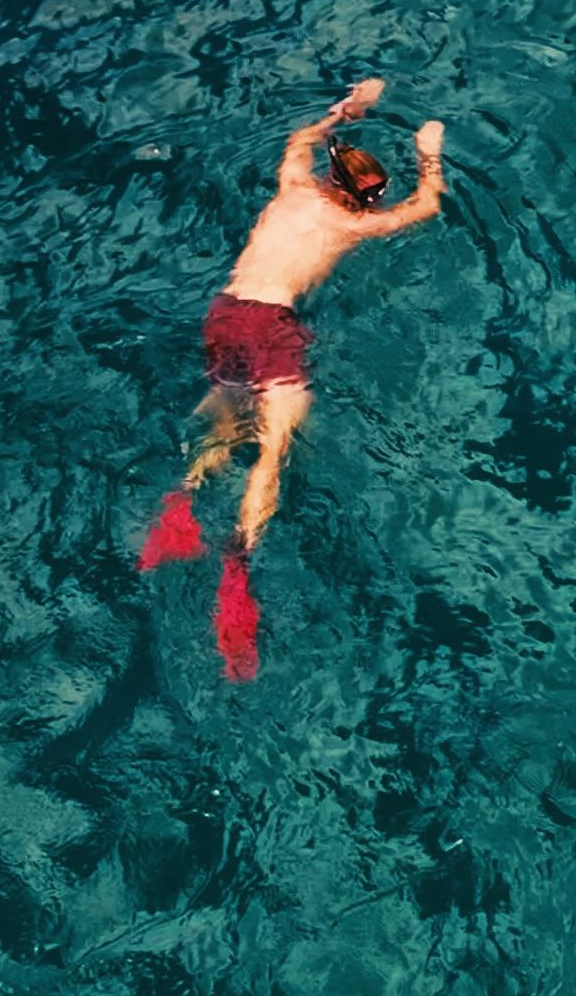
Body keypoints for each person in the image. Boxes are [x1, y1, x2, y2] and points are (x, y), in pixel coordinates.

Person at [137, 80, 446, 680]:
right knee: (273, 449)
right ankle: (238, 560)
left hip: (225, 311)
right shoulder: (355, 226)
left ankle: (183, 500)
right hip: (272, 322)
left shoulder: (293, 186)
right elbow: (426, 206)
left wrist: (349, 108)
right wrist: (428, 149)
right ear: (368, 197)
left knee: (225, 412)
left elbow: (300, 137)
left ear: (331, 175)